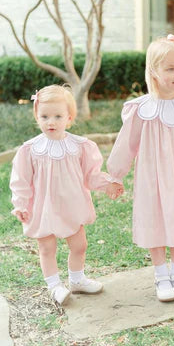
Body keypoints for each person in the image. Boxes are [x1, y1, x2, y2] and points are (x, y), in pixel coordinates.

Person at [107, 34, 174, 302]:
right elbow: (126, 144)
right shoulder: (141, 110)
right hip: (151, 179)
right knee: (155, 221)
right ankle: (161, 275)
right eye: (170, 69)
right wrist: (116, 174)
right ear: (153, 70)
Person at [10, 84, 123, 305]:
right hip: (43, 207)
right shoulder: (30, 150)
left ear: (69, 118)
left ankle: (77, 279)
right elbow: (20, 181)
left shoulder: (79, 146)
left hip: (71, 205)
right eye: (44, 116)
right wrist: (21, 204)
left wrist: (107, 184)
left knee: (79, 245)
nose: (50, 122)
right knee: (47, 247)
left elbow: (91, 175)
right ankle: (54, 285)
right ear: (37, 117)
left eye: (57, 116)